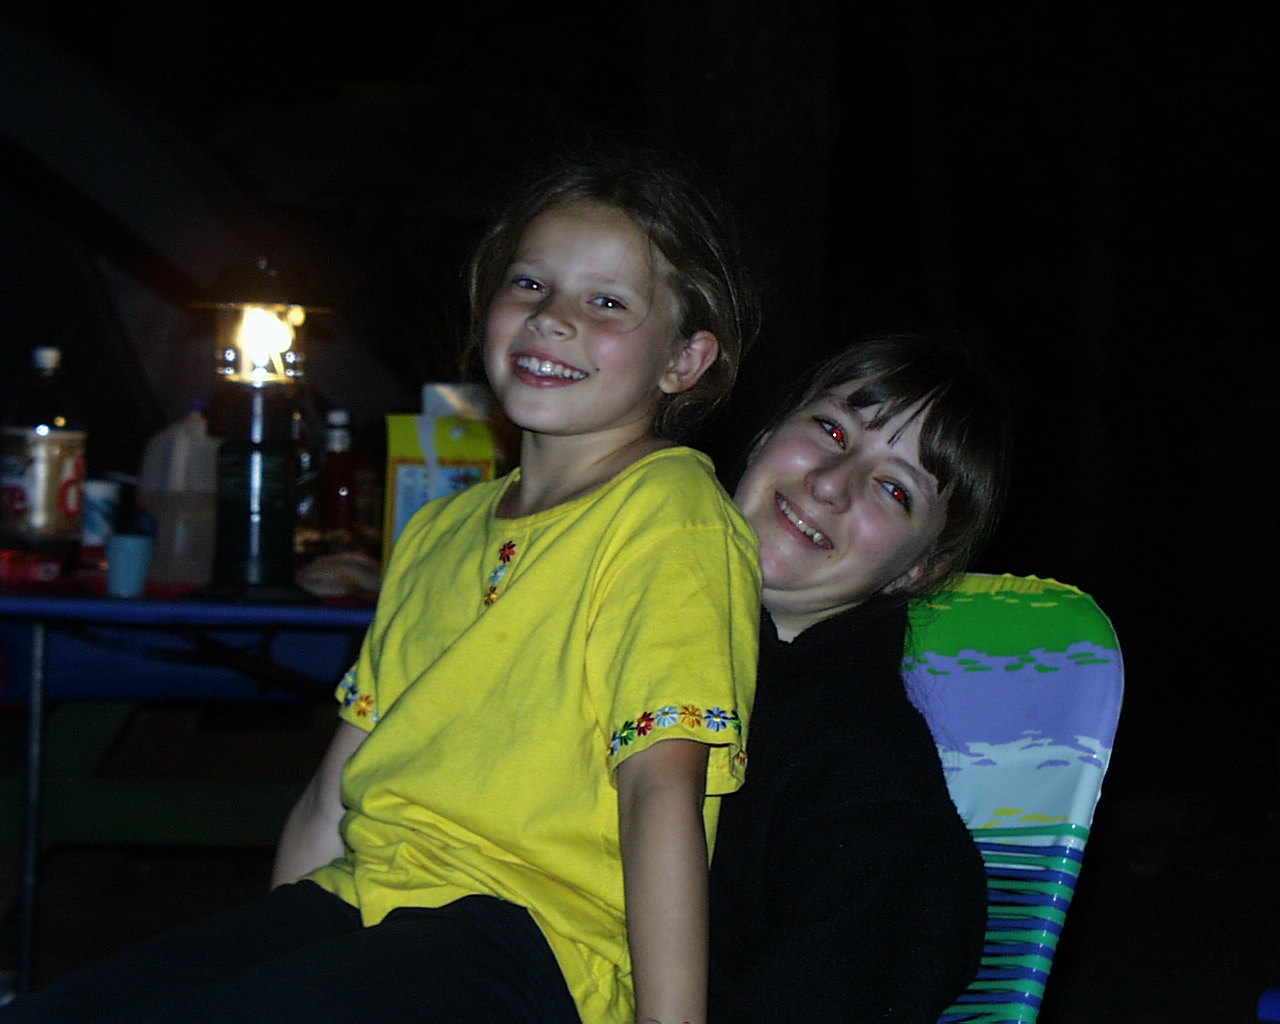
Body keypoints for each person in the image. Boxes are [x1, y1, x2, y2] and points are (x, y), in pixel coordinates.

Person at [1, 148, 763, 1024]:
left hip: (527, 936)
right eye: (529, 284)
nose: (553, 319)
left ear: (684, 359)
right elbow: (334, 793)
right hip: (361, 903)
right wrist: (275, 938)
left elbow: (661, 788)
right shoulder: (439, 530)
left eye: (607, 302)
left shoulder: (667, 513)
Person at [708, 332, 1012, 1021]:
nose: (829, 483)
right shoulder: (603, 617)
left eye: (894, 489)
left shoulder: (873, 794)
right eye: (831, 429)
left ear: (919, 569)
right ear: (765, 435)